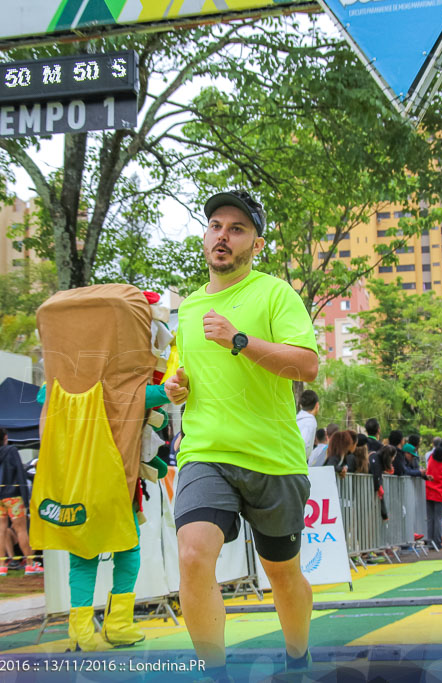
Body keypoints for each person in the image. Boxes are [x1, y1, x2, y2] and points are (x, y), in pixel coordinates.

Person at [165, 189, 319, 677]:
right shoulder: (187, 309)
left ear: (257, 242)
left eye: (237, 228)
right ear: (205, 235)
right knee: (193, 554)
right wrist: (177, 386)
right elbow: (183, 375)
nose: (223, 236)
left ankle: (298, 658)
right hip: (205, 451)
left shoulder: (274, 294)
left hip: (272, 457)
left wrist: (239, 340)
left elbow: (307, 366)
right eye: (215, 225)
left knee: (282, 573)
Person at [0, 427, 43, 577]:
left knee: (0, 530)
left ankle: (2, 566)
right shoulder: (11, 451)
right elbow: (20, 473)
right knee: (21, 529)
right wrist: (25, 498)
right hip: (13, 496)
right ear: (5, 437)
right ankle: (30, 564)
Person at [296, 390, 320, 462]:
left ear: (301, 405)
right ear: (317, 405)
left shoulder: (297, 418)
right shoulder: (310, 421)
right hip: (298, 463)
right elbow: (303, 442)